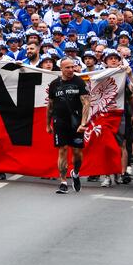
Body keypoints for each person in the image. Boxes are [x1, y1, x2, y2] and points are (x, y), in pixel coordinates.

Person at [46, 58, 91, 194]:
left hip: (76, 122)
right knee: (63, 149)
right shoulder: (54, 84)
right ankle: (63, 181)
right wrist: (47, 124)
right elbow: (50, 106)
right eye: (68, 68)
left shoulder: (79, 82)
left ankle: (75, 172)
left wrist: (83, 123)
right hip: (59, 121)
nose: (71, 70)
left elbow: (86, 103)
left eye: (73, 67)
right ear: (61, 68)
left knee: (77, 152)